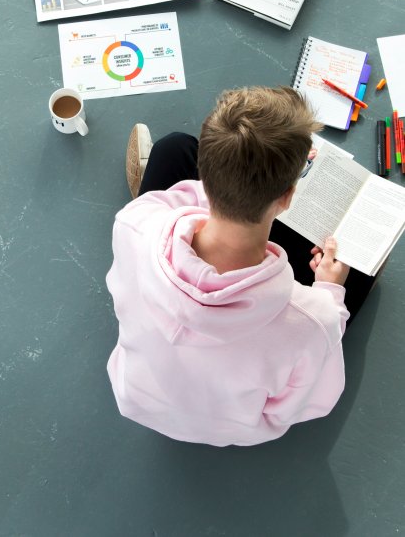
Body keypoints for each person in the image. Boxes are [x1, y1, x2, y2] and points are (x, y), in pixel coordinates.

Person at [106, 86, 377, 447]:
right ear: (287, 197)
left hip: (138, 395)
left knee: (172, 148)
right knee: (358, 270)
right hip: (235, 428)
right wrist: (329, 293)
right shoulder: (314, 321)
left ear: (205, 171)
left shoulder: (134, 223)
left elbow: (178, 200)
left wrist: (232, 180)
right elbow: (303, 407)